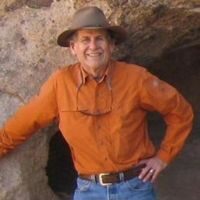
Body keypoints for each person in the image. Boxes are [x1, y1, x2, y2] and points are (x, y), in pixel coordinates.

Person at [0, 6, 193, 200]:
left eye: (99, 38)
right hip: (89, 191)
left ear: (111, 45)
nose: (93, 46)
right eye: (85, 39)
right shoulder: (61, 83)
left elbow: (180, 112)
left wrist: (163, 157)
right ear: (73, 48)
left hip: (136, 189)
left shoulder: (136, 79)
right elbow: (24, 123)